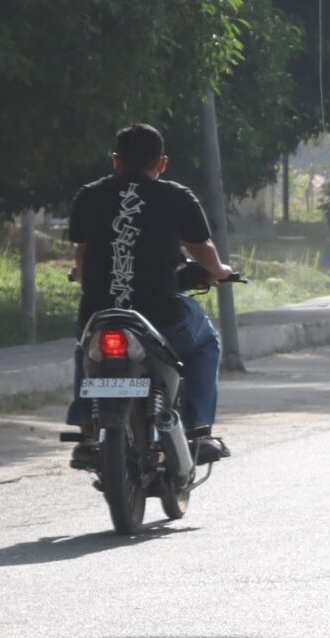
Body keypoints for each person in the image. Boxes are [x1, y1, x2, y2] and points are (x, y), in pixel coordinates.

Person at [66, 123, 233, 467]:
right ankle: (199, 431)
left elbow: (82, 252)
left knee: (87, 346)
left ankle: (85, 428)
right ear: (162, 163)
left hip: (100, 312)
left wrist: (84, 276)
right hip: (162, 317)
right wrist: (220, 272)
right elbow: (201, 248)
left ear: (116, 160)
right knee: (205, 342)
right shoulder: (177, 196)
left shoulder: (88, 195)